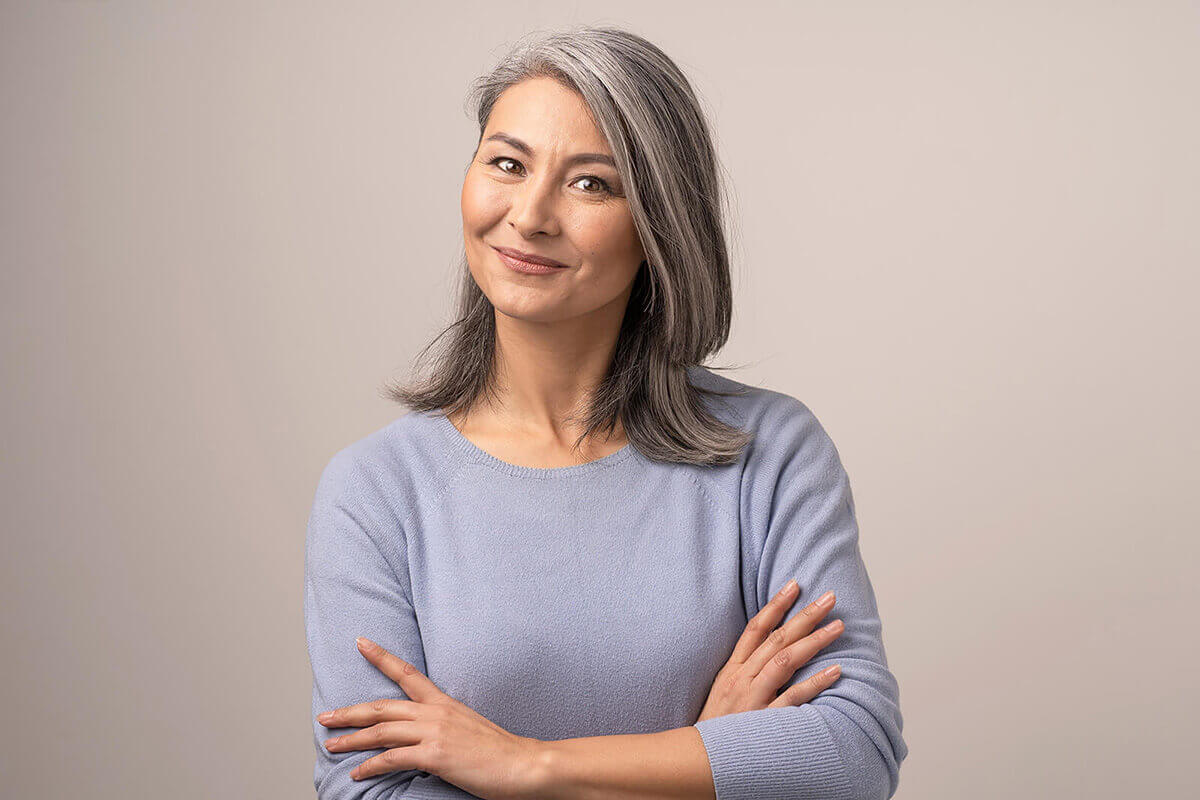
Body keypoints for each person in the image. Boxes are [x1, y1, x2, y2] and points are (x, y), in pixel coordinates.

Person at [303, 24, 907, 800]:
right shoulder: (375, 493)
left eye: (591, 183)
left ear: (658, 225)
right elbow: (368, 792)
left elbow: (855, 755)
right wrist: (706, 756)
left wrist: (526, 766)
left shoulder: (771, 454)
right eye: (507, 164)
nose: (529, 215)